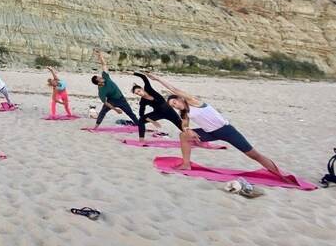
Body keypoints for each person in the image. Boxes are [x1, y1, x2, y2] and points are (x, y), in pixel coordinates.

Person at [152, 75, 284, 177]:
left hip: (226, 131)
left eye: (175, 102)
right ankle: (186, 164)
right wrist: (187, 129)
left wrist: (158, 79)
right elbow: (184, 123)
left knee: (254, 155)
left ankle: (279, 175)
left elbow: (174, 90)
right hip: (211, 133)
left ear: (181, 99)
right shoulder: (186, 112)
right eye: (173, 105)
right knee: (183, 135)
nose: (175, 105)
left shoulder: (194, 102)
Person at [123, 71, 182, 139]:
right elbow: (141, 114)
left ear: (142, 88)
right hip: (158, 113)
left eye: (139, 91)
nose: (139, 93)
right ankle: (141, 139)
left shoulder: (148, 89)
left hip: (169, 111)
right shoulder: (143, 101)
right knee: (141, 121)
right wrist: (153, 121)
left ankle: (194, 136)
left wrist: (132, 73)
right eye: (137, 93)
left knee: (181, 126)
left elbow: (143, 77)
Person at [89, 49, 139, 129]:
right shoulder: (101, 91)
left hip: (121, 99)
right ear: (98, 83)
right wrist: (115, 109)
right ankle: (95, 127)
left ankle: (139, 126)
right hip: (112, 101)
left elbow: (104, 65)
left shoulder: (105, 76)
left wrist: (100, 55)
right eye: (100, 79)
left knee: (130, 113)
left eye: (100, 77)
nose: (101, 78)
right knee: (103, 112)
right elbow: (105, 103)